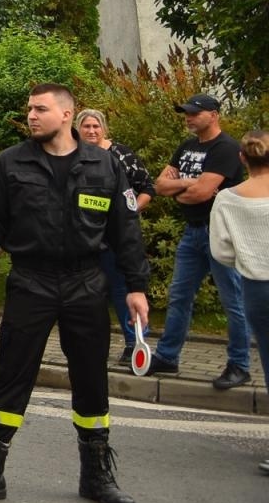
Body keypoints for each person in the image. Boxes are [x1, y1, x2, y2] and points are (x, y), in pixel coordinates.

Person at [0, 84, 149, 503]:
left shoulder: (104, 165)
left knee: (91, 379)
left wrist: (136, 287)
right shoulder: (10, 163)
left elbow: (126, 232)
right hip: (31, 282)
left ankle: (96, 475)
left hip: (86, 284)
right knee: (12, 374)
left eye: (41, 108)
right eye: (29, 109)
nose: (32, 115)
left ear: (67, 114)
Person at [147, 94, 252, 390]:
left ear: (214, 114)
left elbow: (202, 194)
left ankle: (240, 365)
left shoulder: (227, 148)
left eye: (194, 113)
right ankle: (168, 357)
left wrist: (183, 187)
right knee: (179, 296)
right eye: (186, 113)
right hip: (192, 233)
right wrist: (186, 184)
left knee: (233, 301)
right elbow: (159, 185)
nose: (188, 117)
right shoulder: (186, 147)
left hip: (220, 232)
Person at [208, 130, 269, 474]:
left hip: (258, 286)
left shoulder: (228, 198)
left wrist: (248, 259)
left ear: (242, 159)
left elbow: (222, 251)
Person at [75, 109, 155, 365]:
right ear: (77, 129)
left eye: (96, 126)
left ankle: (135, 342)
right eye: (86, 126)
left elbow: (147, 188)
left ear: (104, 129)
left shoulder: (120, 155)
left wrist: (127, 214)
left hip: (115, 240)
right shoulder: (72, 155)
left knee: (123, 289)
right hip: (84, 239)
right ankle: (90, 344)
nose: (91, 131)